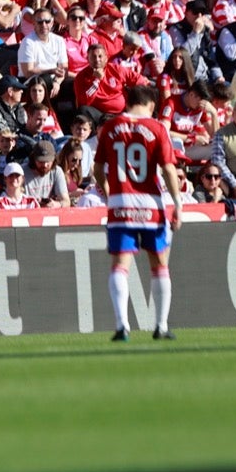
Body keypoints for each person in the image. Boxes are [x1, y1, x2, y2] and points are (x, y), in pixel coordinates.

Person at [92, 84, 183, 342]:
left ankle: (122, 326)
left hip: (121, 205)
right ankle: (161, 326)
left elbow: (98, 169)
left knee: (120, 266)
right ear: (151, 104)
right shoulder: (156, 128)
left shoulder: (110, 128)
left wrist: (110, 192)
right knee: (159, 264)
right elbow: (168, 169)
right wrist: (178, 204)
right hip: (151, 206)